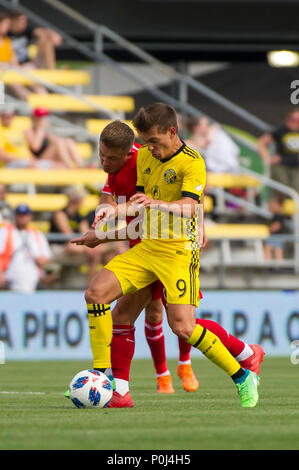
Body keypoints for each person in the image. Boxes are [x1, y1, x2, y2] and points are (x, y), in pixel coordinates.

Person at [71, 103, 261, 408]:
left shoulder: (193, 162)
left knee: (183, 327)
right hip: (147, 247)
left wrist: (154, 204)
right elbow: (140, 208)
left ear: (172, 132)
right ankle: (113, 386)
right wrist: (104, 230)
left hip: (178, 252)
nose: (149, 149)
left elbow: (189, 206)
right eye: (145, 142)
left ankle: (241, 375)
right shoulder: (146, 154)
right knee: (98, 296)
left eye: (154, 141)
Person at [92, 122, 199, 393]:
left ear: (130, 153)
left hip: (169, 246)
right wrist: (103, 209)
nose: (104, 162)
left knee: (180, 320)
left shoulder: (147, 159)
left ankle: (188, 363)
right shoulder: (115, 165)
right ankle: (158, 376)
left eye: (111, 158)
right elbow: (108, 196)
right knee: (148, 313)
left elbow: (191, 192)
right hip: (141, 247)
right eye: (101, 155)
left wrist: (201, 225)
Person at [0, 203, 52, 293]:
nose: (22, 218)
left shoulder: (37, 234)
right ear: (15, 216)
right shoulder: (5, 231)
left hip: (33, 275)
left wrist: (41, 261)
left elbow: (46, 257)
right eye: (19, 215)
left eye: (24, 215)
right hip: (9, 274)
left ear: (30, 217)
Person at [258, 108, 299, 193]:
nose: (295, 123)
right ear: (288, 119)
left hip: (296, 167)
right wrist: (268, 158)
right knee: (281, 192)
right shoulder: (281, 130)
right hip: (281, 166)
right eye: (293, 120)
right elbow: (262, 142)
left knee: (295, 192)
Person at [263, 194, 289, 265]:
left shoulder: (279, 215)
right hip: (277, 236)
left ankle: (269, 264)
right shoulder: (276, 215)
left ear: (279, 205)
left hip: (277, 236)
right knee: (276, 250)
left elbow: (276, 226)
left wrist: (268, 230)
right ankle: (277, 266)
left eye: (272, 204)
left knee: (271, 248)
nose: (270, 206)